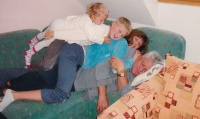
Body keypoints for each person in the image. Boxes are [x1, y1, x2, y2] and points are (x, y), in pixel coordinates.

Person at [0, 16, 132, 112]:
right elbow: (76, 28)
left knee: (46, 78)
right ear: (114, 23)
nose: (118, 35)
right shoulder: (100, 29)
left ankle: (8, 87)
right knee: (60, 93)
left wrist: (129, 61)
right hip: (74, 53)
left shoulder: (111, 39)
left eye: (122, 35)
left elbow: (113, 63)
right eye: (119, 30)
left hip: (77, 61)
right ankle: (11, 92)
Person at [24, 2, 111, 67]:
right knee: (46, 42)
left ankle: (33, 40)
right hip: (60, 27)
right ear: (93, 15)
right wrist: (102, 39)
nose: (102, 22)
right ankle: (29, 53)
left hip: (58, 21)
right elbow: (91, 36)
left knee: (46, 33)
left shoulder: (86, 17)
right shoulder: (87, 22)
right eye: (101, 20)